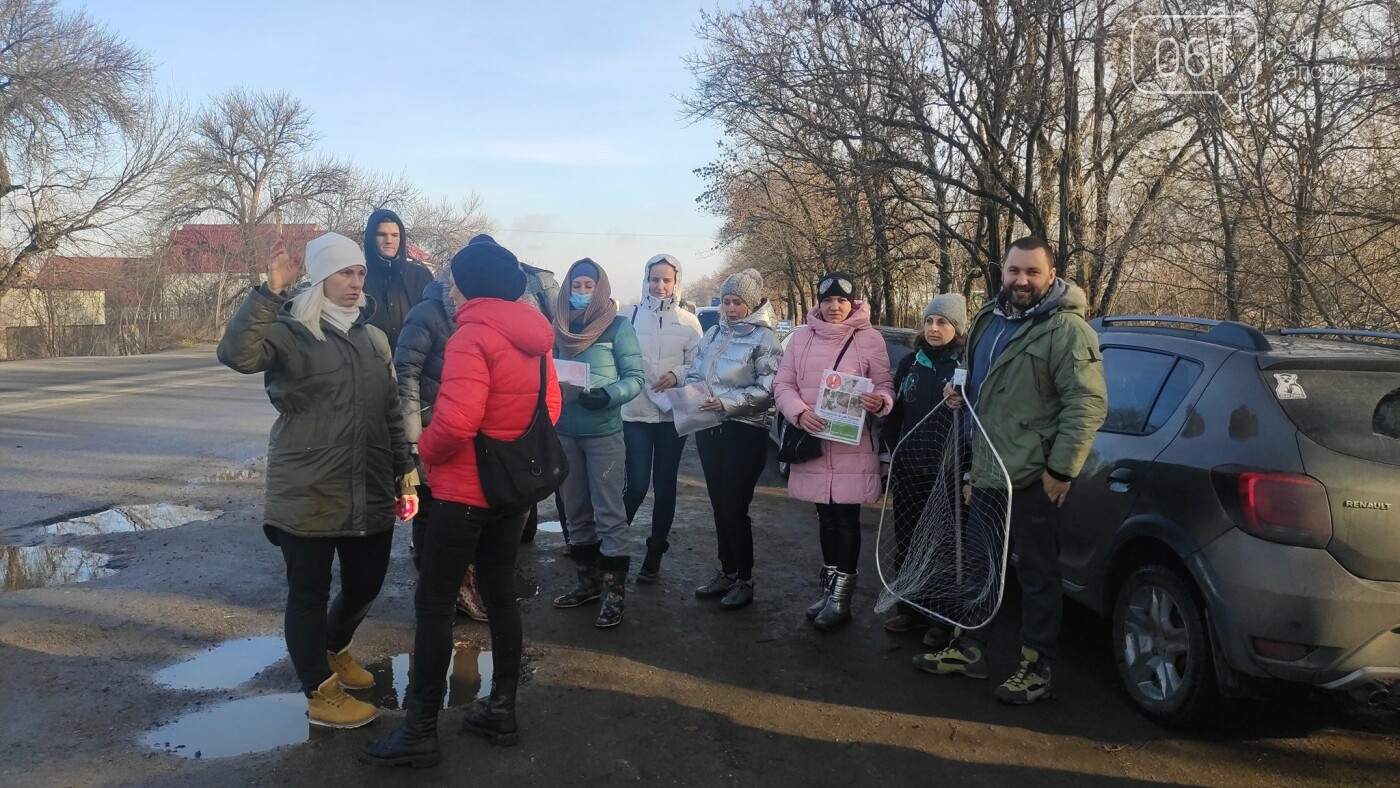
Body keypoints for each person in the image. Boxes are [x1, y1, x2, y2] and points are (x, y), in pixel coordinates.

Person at [361, 237, 561, 767]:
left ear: (469, 283)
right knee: (499, 595)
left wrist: (423, 453)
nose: (449, 285)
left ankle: (420, 730)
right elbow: (552, 408)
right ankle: (501, 709)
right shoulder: (536, 337)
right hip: (513, 491)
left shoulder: (473, 335)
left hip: (461, 492)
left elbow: (456, 420)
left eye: (454, 277)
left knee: (434, 604)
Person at [217, 232, 417, 729]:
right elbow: (236, 355)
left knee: (366, 582)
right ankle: (319, 692)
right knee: (307, 590)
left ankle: (333, 647)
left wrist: (404, 468)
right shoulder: (291, 331)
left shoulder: (374, 339)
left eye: (360, 273)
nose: (356, 282)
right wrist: (270, 292)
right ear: (322, 277)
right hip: (306, 486)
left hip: (368, 483)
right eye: (345, 273)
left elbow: (390, 408)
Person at [913, 236, 1107, 705]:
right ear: (1002, 271)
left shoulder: (1067, 330)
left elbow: (1088, 403)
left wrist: (1060, 470)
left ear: (1051, 274)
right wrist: (957, 393)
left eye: (1032, 272)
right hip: (985, 471)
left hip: (1033, 477)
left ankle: (1036, 668)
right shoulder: (987, 319)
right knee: (982, 566)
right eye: (1014, 270)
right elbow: (972, 376)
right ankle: (971, 650)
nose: (1022, 280)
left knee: (1038, 575)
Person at [773, 272, 894, 630]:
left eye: (842, 300)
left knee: (847, 520)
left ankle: (842, 599)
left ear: (853, 302)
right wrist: (799, 412)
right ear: (819, 303)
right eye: (828, 300)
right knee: (824, 519)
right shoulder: (801, 338)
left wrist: (880, 400)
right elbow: (783, 383)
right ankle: (828, 592)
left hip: (852, 447)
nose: (835, 307)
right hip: (814, 442)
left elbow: (886, 386)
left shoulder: (869, 338)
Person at [550, 259, 645, 628]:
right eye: (577, 285)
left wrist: (607, 395)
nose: (582, 293)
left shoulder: (618, 327)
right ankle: (587, 584)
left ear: (601, 288)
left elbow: (636, 377)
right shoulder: (557, 328)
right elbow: (544, 371)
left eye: (590, 285)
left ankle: (614, 594)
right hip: (565, 431)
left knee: (609, 512)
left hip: (603, 431)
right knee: (574, 510)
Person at [687, 268, 783, 610]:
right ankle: (726, 572)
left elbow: (768, 390)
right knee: (718, 504)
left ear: (751, 303)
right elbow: (695, 370)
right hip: (709, 426)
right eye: (726, 301)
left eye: (737, 302)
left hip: (745, 430)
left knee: (733, 506)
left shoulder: (765, 340)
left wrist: (726, 403)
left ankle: (745, 578)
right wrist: (687, 390)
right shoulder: (713, 333)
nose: (730, 308)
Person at [878, 293, 967, 650]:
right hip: (910, 467)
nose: (933, 328)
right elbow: (895, 414)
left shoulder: (964, 366)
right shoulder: (910, 364)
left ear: (956, 328)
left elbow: (976, 420)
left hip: (949, 471)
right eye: (929, 321)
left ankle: (941, 620)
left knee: (944, 544)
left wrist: (969, 472)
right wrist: (889, 454)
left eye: (942, 322)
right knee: (908, 540)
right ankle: (910, 607)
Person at [621, 253, 702, 582]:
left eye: (666, 280)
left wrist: (676, 373)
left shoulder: (689, 322)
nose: (660, 286)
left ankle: (654, 555)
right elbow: (615, 357)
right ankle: (610, 546)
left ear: (676, 282)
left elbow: (698, 366)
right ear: (646, 279)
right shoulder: (628, 316)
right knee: (637, 486)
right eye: (655, 279)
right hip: (635, 414)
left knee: (665, 487)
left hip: (672, 417)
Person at [363, 208, 433, 350]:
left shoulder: (420, 277)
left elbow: (435, 325)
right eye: (381, 234)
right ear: (371, 238)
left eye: (395, 235)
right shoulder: (359, 277)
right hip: (371, 365)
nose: (389, 240)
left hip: (413, 365)